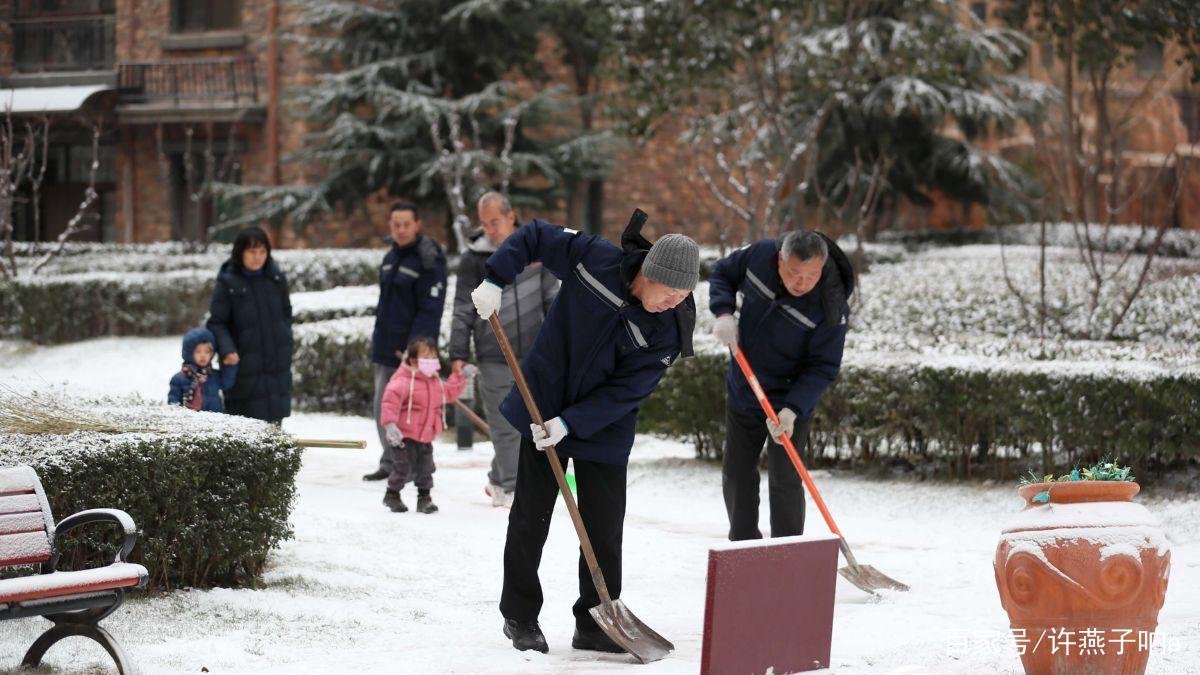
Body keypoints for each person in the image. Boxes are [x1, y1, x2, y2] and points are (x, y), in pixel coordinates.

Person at [471, 214, 698, 654]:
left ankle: (595, 620)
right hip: (544, 404)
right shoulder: (595, 259)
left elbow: (626, 391)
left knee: (603, 527)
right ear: (649, 273)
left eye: (683, 296)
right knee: (530, 517)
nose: (673, 303)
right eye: (669, 292)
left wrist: (571, 423)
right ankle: (520, 616)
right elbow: (535, 235)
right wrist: (496, 279)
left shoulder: (668, 328)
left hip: (602, 427)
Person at [708, 230, 854, 541]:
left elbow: (824, 366)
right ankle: (744, 543)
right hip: (745, 385)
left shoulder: (831, 305)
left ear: (822, 267)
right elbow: (722, 272)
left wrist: (792, 409)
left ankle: (787, 549)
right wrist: (723, 312)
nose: (801, 283)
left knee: (786, 477)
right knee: (737, 473)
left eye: (810, 275)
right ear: (779, 261)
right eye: (793, 274)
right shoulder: (759, 256)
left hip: (789, 400)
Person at [449, 191, 558, 508]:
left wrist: (560, 348)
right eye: (483, 223)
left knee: (529, 423)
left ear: (512, 216)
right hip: (492, 354)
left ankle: (498, 479)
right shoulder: (473, 259)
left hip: (534, 353)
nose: (489, 229)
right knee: (504, 425)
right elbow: (462, 308)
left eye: (494, 222)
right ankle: (512, 489)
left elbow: (553, 302)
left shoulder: (538, 253)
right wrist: (458, 353)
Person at [363, 202, 448, 482]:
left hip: (409, 353)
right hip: (386, 349)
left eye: (406, 224)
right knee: (383, 409)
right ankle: (390, 462)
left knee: (411, 412)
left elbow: (430, 308)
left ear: (417, 224)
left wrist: (416, 350)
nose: (400, 229)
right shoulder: (390, 258)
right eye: (395, 224)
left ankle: (411, 467)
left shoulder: (429, 259)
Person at [207, 226, 293, 424]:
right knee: (247, 428)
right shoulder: (228, 282)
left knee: (274, 430)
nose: (258, 257)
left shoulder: (276, 279)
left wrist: (285, 339)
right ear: (240, 252)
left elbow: (286, 314)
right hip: (244, 368)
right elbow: (217, 323)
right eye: (252, 251)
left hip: (276, 368)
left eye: (262, 251)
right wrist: (228, 350)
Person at [379, 337, 472, 514]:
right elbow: (389, 403)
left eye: (434, 357)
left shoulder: (435, 382)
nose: (432, 361)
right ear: (414, 360)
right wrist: (390, 425)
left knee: (426, 468)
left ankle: (424, 499)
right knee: (402, 468)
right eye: (426, 357)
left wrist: (461, 376)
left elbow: (449, 392)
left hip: (425, 435)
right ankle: (392, 494)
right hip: (402, 436)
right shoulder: (402, 381)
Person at [167, 327, 238, 412]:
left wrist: (229, 367)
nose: (203, 355)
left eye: (207, 352)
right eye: (198, 352)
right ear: (189, 353)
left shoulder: (213, 375)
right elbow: (173, 403)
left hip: (214, 419)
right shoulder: (179, 379)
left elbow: (227, 383)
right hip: (191, 421)